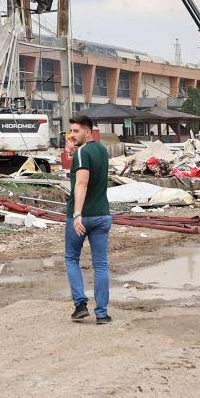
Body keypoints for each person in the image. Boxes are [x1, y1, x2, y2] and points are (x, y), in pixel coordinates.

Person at [64, 114, 113, 324]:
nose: (73, 135)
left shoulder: (83, 152)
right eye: (71, 131)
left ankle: (80, 304)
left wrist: (77, 214)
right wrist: (72, 153)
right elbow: (86, 168)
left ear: (88, 131)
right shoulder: (101, 149)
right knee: (100, 265)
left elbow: (81, 183)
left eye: (76, 131)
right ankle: (101, 314)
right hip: (103, 215)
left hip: (83, 216)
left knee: (71, 258)